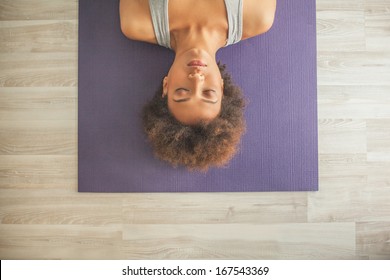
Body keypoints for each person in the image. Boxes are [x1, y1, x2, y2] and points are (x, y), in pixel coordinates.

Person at [120, 0, 276, 171]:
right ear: (222, 89)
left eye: (182, 91)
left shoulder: (138, 21)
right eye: (208, 93)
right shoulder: (256, 17)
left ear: (166, 86)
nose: (196, 78)